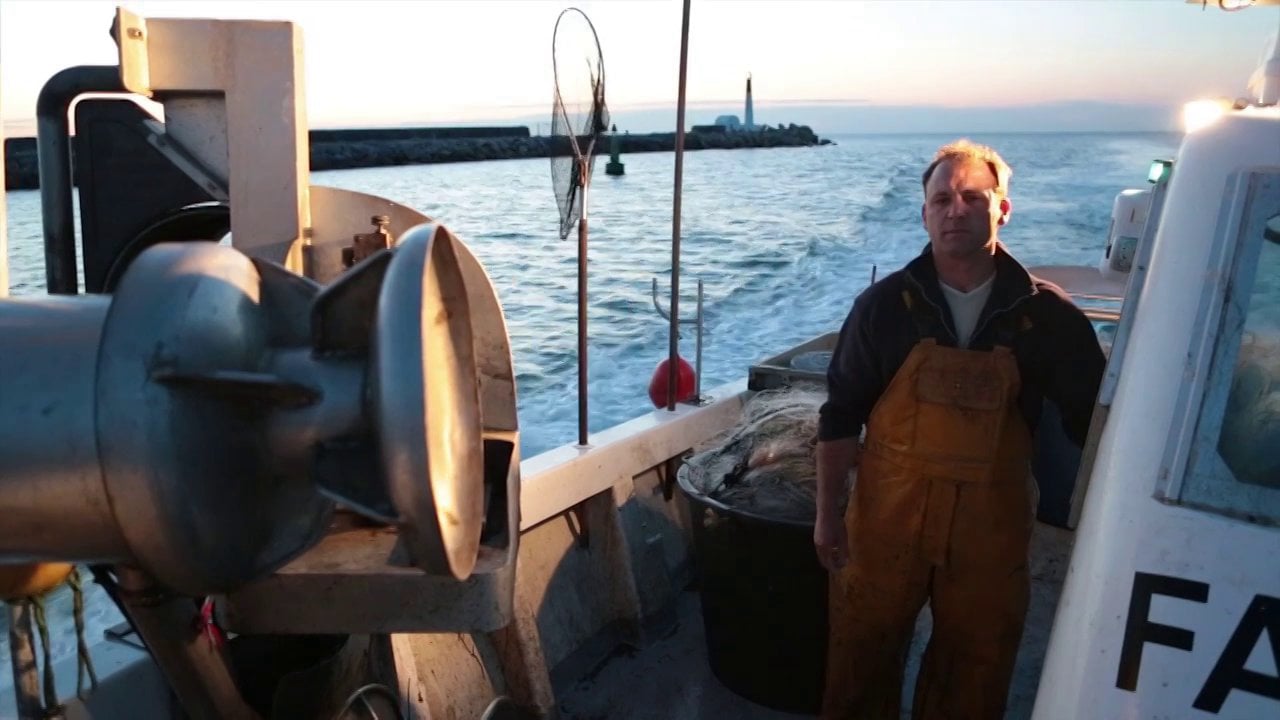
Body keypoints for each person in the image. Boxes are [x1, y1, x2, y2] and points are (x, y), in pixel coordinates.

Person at [813, 139, 1105, 719]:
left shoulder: (1049, 316)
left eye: (974, 196)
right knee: (861, 653)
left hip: (991, 528)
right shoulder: (882, 308)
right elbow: (841, 415)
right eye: (941, 198)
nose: (956, 209)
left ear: (1003, 209)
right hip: (886, 518)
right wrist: (827, 516)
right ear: (924, 213)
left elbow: (1093, 428)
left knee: (977, 664)